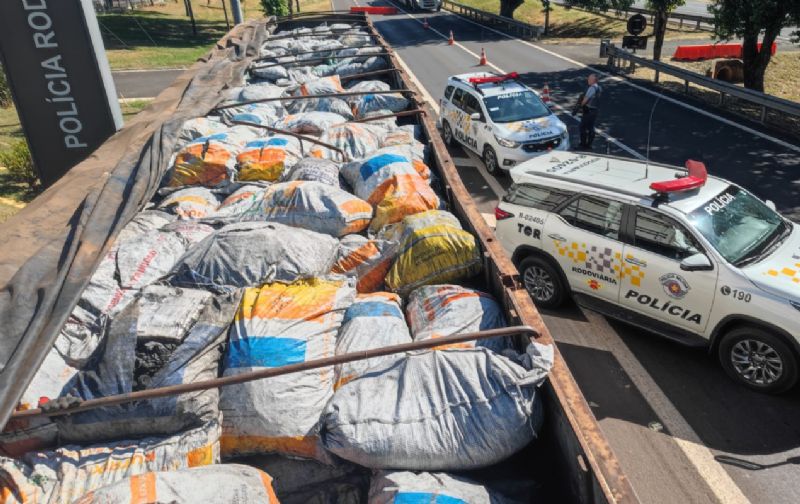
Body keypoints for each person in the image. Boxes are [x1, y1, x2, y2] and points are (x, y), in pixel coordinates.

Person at [573, 74, 601, 150]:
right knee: (591, 127)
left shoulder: (592, 88)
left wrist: (580, 106)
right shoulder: (598, 88)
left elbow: (585, 99)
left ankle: (583, 144)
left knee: (582, 127)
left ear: (593, 80)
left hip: (589, 110)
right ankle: (589, 145)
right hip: (595, 111)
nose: (588, 80)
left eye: (589, 79)